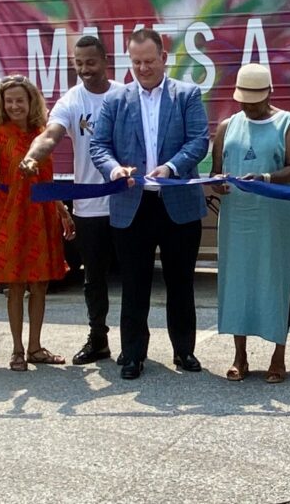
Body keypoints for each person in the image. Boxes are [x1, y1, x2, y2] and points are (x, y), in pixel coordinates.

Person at [89, 28, 210, 381]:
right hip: (132, 205)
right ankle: (133, 354)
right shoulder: (115, 99)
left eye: (148, 61)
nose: (142, 68)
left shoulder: (187, 94)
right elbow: (99, 145)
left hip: (178, 205)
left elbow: (199, 141)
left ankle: (184, 350)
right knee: (134, 284)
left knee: (180, 282)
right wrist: (114, 170)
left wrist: (171, 168)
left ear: (164, 58)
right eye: (136, 62)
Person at [21, 35, 121, 366]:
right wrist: (33, 157)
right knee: (94, 280)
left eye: (91, 63)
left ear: (106, 61)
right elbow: (50, 135)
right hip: (90, 206)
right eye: (79, 64)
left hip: (128, 202)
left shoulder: (124, 96)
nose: (85, 70)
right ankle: (98, 339)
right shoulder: (71, 100)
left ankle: (135, 344)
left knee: (136, 276)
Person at [210, 64, 290, 383]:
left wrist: (265, 178)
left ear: (269, 94)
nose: (249, 106)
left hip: (277, 218)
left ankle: (278, 357)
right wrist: (217, 183)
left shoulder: (287, 124)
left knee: (276, 280)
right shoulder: (227, 126)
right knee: (238, 282)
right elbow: (216, 170)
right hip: (237, 217)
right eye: (244, 100)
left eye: (255, 100)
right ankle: (240, 356)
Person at [0, 75, 75, 371]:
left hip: (41, 213)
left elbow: (45, 179)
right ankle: (17, 350)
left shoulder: (43, 133)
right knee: (15, 286)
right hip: (11, 216)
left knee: (39, 285)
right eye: (8, 101)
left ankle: (35, 346)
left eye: (19, 100)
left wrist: (61, 208)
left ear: (31, 101)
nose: (14, 106)